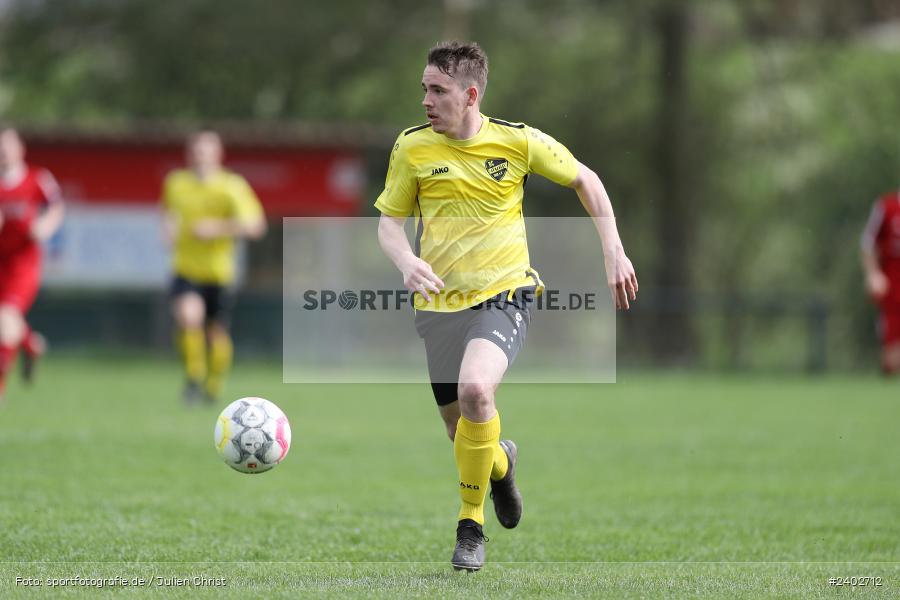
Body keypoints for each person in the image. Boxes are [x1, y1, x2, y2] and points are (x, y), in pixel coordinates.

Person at [374, 42, 638, 571]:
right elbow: (388, 224)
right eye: (424, 88)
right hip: (440, 306)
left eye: (438, 90)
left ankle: (470, 527)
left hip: (505, 294)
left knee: (476, 390)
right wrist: (406, 262)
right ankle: (501, 465)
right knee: (462, 432)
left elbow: (587, 179)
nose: (426, 100)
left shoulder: (517, 142)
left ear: (470, 95)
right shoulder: (411, 149)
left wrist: (614, 249)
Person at [162, 131, 266, 405]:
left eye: (206, 152)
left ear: (218, 155)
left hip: (219, 273)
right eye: (195, 152)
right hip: (186, 268)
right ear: (188, 155)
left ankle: (213, 385)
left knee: (216, 334)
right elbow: (169, 213)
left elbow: (256, 225)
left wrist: (216, 228)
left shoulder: (231, 186)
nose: (200, 157)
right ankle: (194, 378)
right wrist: (168, 229)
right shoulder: (176, 183)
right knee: (188, 317)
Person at [0, 127, 64, 403]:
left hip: (22, 265)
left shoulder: (37, 178)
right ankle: (31, 344)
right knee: (8, 323)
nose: (3, 151)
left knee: (5, 321)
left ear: (20, 149)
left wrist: (44, 227)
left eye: (7, 145)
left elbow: (56, 206)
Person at [861, 188, 900, 374]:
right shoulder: (886, 206)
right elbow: (868, 243)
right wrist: (873, 274)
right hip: (893, 285)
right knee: (891, 356)